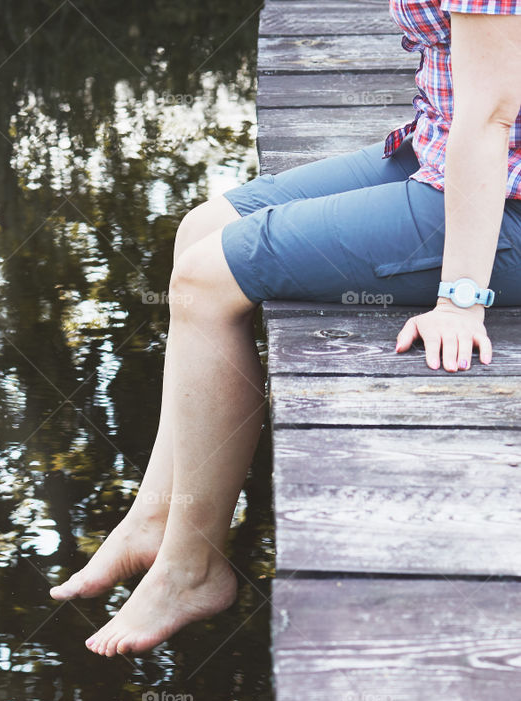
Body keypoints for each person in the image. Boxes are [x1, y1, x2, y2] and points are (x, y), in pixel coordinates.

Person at [50, 0, 521, 657]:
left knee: (204, 282)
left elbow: (493, 110)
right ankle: (158, 515)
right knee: (201, 228)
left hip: (499, 202)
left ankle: (193, 571)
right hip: (441, 151)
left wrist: (461, 298)